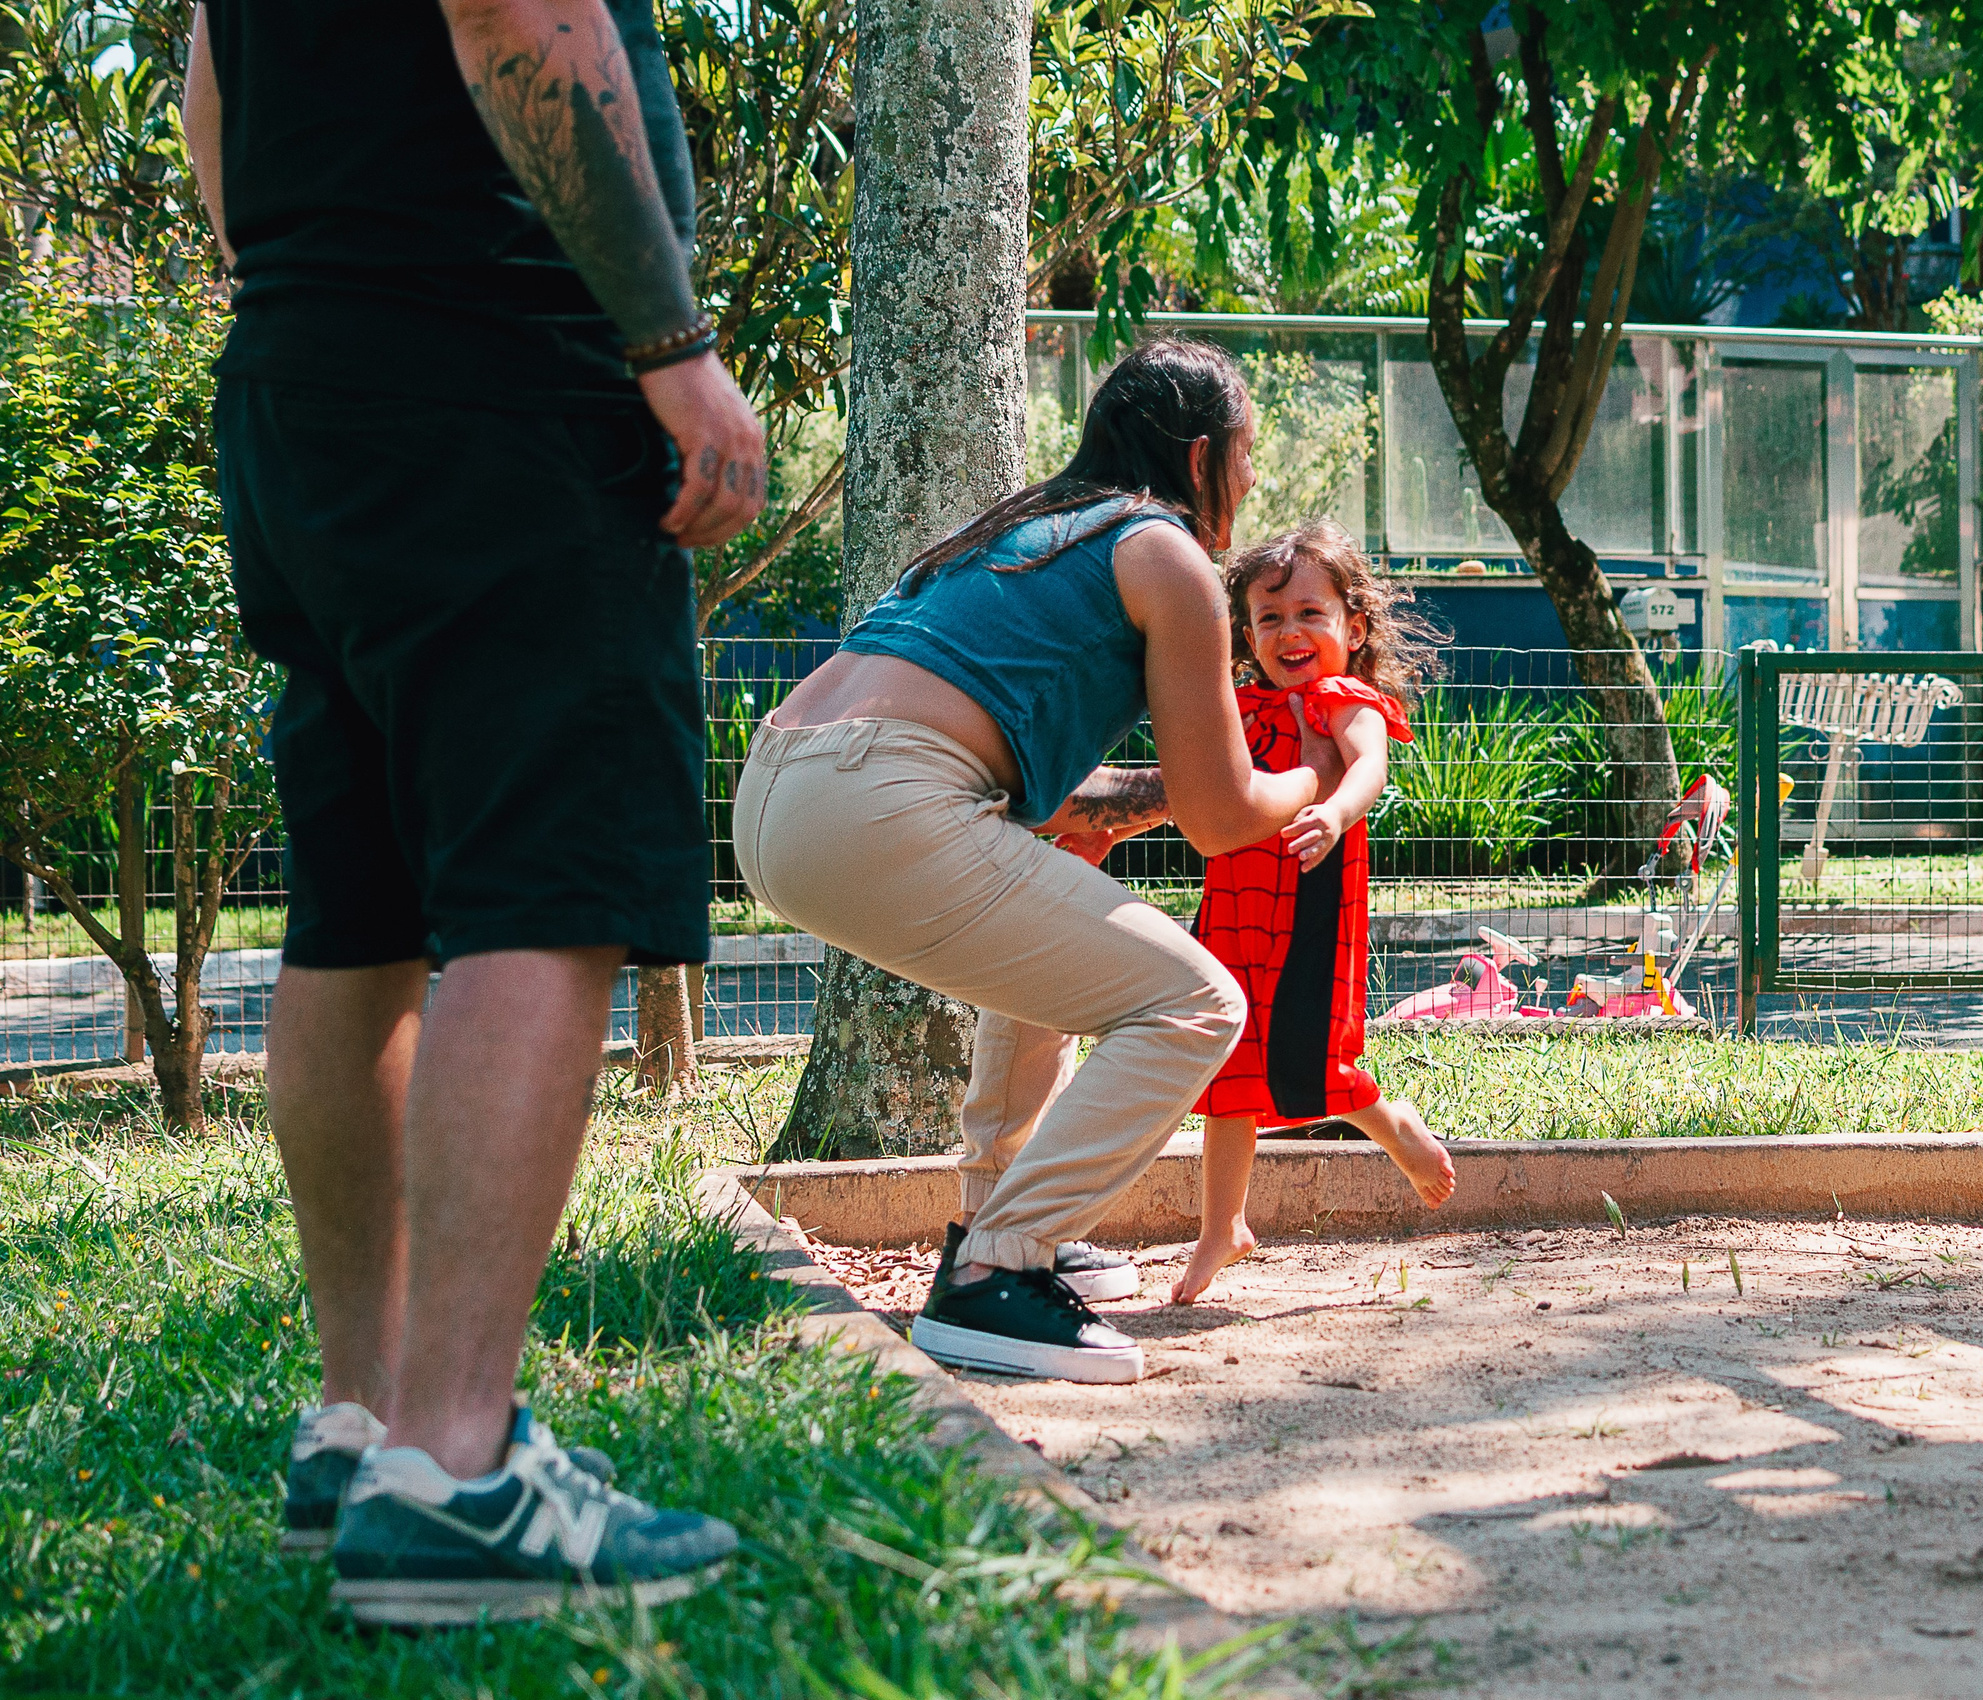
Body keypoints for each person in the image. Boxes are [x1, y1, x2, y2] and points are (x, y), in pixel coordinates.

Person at [184, 0, 767, 1625]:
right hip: (501, 372)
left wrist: (316, 282)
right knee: (545, 887)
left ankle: (362, 1430)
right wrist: (671, 346)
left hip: (307, 375)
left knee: (354, 906)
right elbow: (516, 12)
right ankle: (453, 1472)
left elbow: (211, 76)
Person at [735, 335, 1329, 1385]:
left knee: (1058, 940)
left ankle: (998, 1218)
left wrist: (1125, 811)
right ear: (1200, 457)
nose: (1245, 487)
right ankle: (994, 1277)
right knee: (1197, 1004)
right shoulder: (1165, 551)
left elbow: (1059, 780)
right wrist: (1313, 771)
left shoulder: (1024, 530)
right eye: (1242, 461)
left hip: (779, 790)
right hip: (881, 798)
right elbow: (1222, 813)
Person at [1172, 519, 1457, 1306]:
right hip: (1233, 906)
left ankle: (1391, 1124)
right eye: (1269, 618)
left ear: (1353, 627)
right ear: (1247, 635)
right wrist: (1114, 825)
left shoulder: (1340, 698)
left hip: (1309, 902)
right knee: (1229, 1062)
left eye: (1309, 613)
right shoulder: (1242, 708)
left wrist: (1333, 812)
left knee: (1306, 1056)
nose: (1289, 632)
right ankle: (1222, 1227)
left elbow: (1370, 765)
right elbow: (1193, 788)